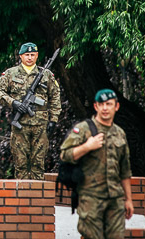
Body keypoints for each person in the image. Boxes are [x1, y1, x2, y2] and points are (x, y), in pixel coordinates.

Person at [60, 89, 134, 239]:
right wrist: (87, 146)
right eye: (101, 104)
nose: (105, 108)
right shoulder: (83, 129)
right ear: (95, 106)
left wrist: (128, 200)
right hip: (91, 199)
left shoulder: (120, 133)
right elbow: (65, 155)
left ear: (116, 106)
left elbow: (125, 170)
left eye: (109, 104)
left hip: (115, 199)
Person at [0, 41, 62, 179]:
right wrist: (14, 103)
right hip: (20, 126)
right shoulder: (11, 73)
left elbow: (55, 98)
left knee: (38, 164)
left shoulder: (46, 74)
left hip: (41, 125)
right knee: (20, 164)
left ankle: (37, 198)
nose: (30, 57)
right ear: (21, 56)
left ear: (37, 56)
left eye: (32, 54)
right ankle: (22, 197)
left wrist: (53, 120)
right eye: (27, 55)